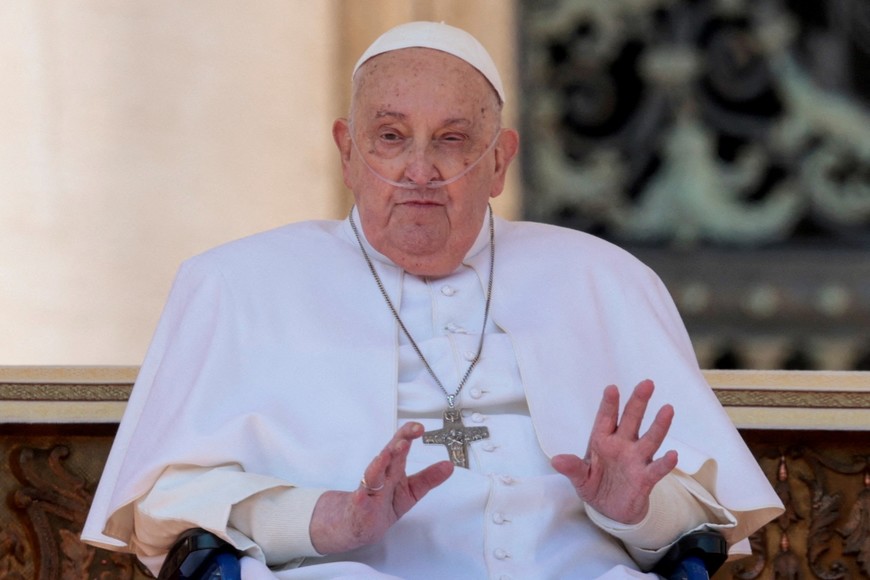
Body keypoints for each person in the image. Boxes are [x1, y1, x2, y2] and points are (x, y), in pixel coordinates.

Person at [83, 21, 783, 579]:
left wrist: (635, 510)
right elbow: (158, 509)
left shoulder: (605, 279)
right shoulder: (235, 284)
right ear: (348, 152)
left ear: (502, 160)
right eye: (391, 138)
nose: (420, 170)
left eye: (453, 140)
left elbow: (702, 513)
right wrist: (325, 519)